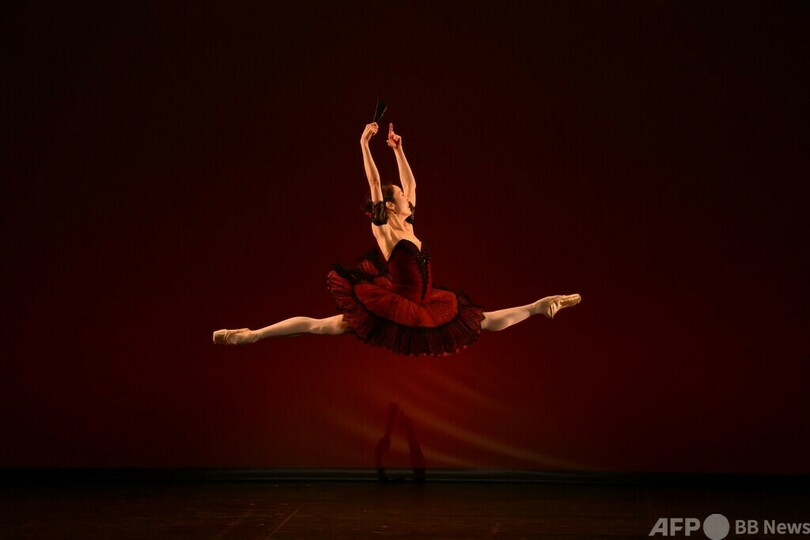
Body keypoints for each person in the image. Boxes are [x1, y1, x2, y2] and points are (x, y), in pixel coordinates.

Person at [213, 122, 581, 355]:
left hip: (425, 303)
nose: (408, 196)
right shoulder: (385, 229)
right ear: (389, 206)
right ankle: (251, 335)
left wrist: (398, 149)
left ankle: (539, 306)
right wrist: (364, 144)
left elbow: (413, 185)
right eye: (401, 196)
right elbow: (375, 183)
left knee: (478, 320)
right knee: (322, 326)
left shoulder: (409, 225)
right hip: (394, 305)